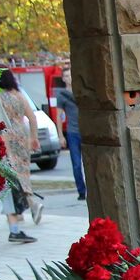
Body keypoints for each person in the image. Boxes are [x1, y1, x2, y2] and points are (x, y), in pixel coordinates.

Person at [0, 69, 38, 245]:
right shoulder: (19, 95)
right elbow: (32, 118)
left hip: (6, 139)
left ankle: (28, 205)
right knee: (24, 174)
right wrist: (34, 137)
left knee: (11, 176)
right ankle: (31, 202)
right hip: (21, 137)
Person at [52, 75, 86, 203]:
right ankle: (81, 191)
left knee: (89, 163)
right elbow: (59, 115)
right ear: (64, 79)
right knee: (76, 164)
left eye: (70, 75)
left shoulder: (82, 92)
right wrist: (60, 135)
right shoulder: (62, 96)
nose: (68, 77)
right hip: (72, 133)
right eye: (65, 76)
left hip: (85, 131)